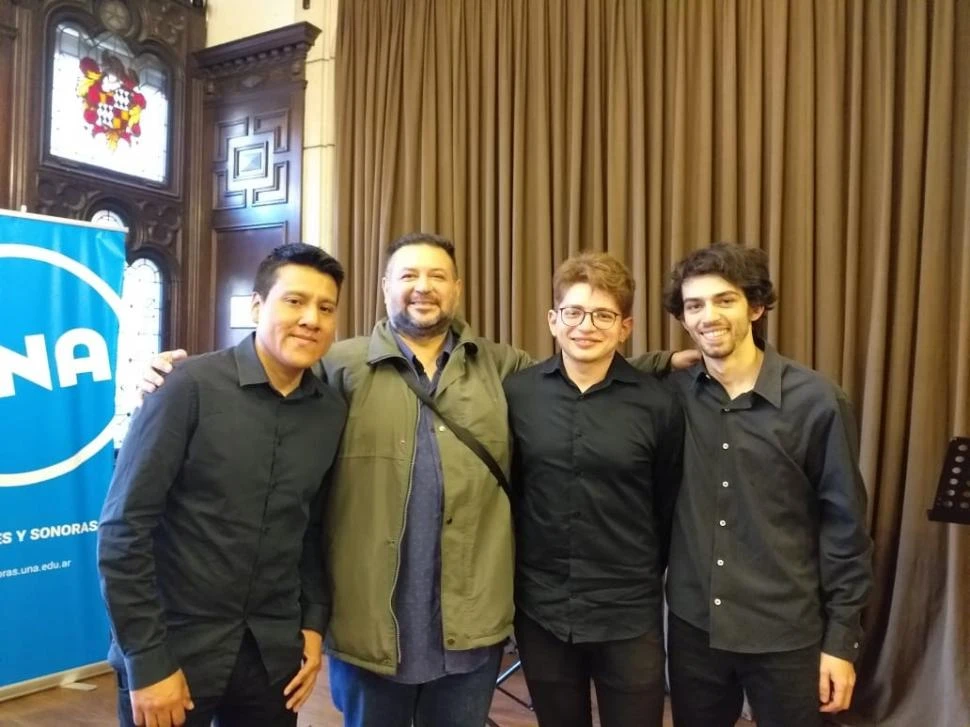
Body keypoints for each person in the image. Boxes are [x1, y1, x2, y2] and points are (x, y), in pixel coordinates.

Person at [143, 233, 686, 727]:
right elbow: (265, 372)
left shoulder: (503, 367)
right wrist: (174, 372)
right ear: (384, 288)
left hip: (470, 629)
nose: (423, 288)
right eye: (408, 276)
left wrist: (669, 362)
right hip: (370, 629)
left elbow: (580, 371)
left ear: (457, 289)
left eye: (436, 276)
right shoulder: (336, 365)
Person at [98, 243, 347, 727]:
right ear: (257, 307)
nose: (311, 319)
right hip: (175, 649)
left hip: (273, 656)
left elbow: (313, 528)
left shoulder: (331, 411)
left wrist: (313, 626)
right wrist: (147, 662)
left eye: (326, 307)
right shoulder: (185, 387)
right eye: (294, 301)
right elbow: (123, 531)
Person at [661, 242, 874, 727]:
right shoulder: (671, 395)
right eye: (694, 305)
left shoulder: (817, 401)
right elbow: (611, 374)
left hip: (786, 634)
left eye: (724, 300)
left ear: (756, 308)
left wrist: (841, 642)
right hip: (696, 631)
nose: (707, 316)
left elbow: (846, 528)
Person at [503, 252, 684, 727]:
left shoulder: (659, 404)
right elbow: (513, 493)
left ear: (625, 326)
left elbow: (666, 505)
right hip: (542, 608)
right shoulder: (516, 395)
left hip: (628, 613)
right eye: (574, 312)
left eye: (603, 315)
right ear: (553, 320)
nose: (587, 326)